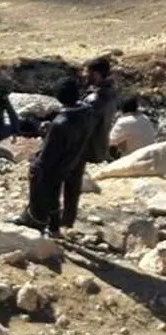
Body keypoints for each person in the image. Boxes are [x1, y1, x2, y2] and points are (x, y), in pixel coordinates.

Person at [9, 78, 92, 236]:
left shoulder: (60, 123)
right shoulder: (86, 112)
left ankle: (35, 219)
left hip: (56, 165)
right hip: (73, 160)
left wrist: (34, 162)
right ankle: (55, 228)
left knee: (42, 184)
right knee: (56, 191)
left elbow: (46, 158)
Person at [66, 57, 118, 228]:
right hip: (97, 143)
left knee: (69, 183)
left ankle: (64, 220)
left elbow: (82, 125)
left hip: (83, 146)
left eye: (87, 72)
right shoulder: (111, 93)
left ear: (95, 75)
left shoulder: (94, 100)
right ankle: (68, 218)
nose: (84, 75)